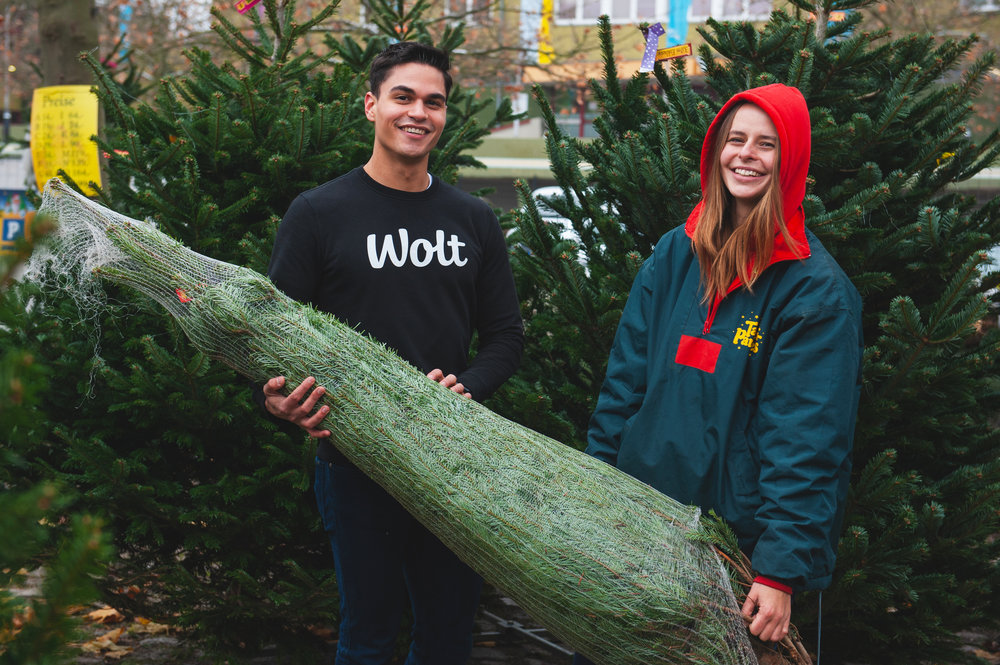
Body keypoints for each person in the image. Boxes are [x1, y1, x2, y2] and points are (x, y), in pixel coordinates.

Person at [256, 42, 524, 665]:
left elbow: (506, 337)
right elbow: (270, 332)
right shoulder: (318, 213)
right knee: (367, 640)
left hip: (454, 463)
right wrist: (273, 399)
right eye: (403, 97)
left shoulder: (473, 219)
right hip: (356, 465)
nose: (418, 112)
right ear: (372, 105)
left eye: (434, 102)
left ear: (445, 116)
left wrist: (468, 386)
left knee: (448, 641)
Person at [579, 83, 863, 657]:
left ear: (792, 162)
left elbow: (806, 442)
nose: (746, 155)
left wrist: (779, 571)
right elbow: (624, 386)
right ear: (715, 152)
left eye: (767, 144)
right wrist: (595, 500)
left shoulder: (815, 294)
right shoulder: (674, 254)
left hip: (734, 551)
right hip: (638, 523)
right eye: (735, 139)